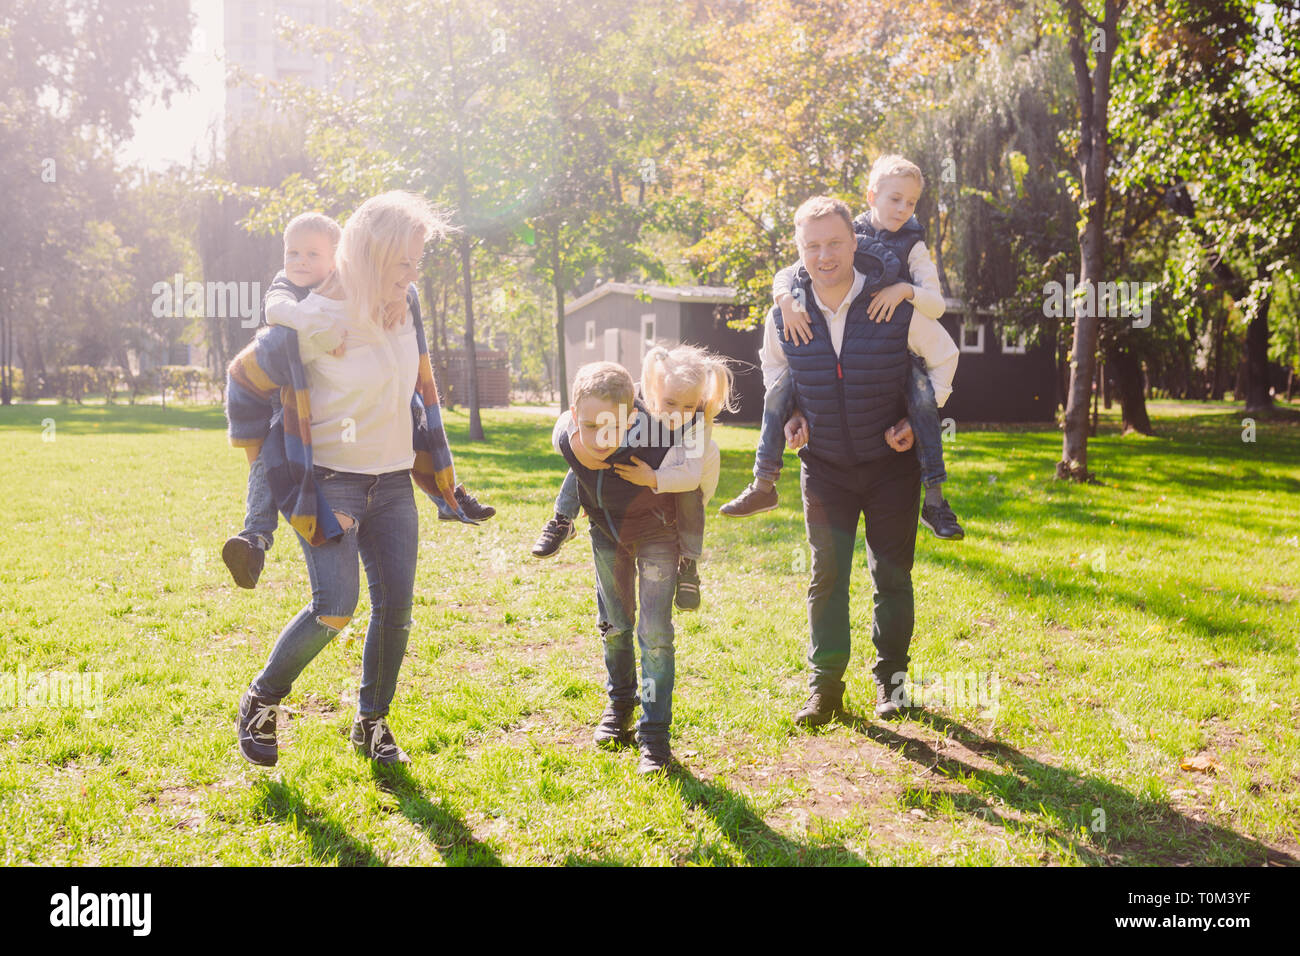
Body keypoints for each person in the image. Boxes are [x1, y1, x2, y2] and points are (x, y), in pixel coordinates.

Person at [228, 191, 459, 767]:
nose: (412, 274)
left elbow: (418, 388)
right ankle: (262, 699)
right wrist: (266, 466)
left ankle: (371, 724)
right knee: (334, 607)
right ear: (372, 253)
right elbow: (244, 380)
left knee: (395, 611)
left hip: (393, 482)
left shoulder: (407, 305)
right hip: (332, 481)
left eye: (417, 262)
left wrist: (437, 467)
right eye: (403, 262)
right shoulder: (310, 313)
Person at [221, 212, 495, 591]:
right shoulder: (292, 291)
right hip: (295, 415)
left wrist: (399, 297)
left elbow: (396, 295)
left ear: (338, 257)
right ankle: (255, 537)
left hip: (382, 442)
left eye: (312, 254)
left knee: (417, 427)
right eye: (292, 253)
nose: (300, 262)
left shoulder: (385, 295)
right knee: (269, 461)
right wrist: (317, 326)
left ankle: (450, 496)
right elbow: (274, 315)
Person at [721, 154, 964, 540]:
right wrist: (784, 299)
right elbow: (793, 269)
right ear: (871, 196)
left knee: (923, 402)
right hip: (841, 373)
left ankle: (935, 498)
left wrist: (904, 290)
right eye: (894, 199)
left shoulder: (913, 246)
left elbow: (936, 307)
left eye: (911, 202)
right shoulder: (849, 231)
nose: (902, 209)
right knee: (778, 391)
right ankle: (763, 483)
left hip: (894, 349)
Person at [760, 196, 925, 725]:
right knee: (826, 577)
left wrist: (916, 420)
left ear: (855, 242)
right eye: (812, 246)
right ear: (799, 250)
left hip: (891, 466)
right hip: (825, 466)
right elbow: (774, 372)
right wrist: (791, 416)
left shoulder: (890, 301)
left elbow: (943, 359)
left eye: (834, 243)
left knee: (891, 576)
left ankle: (892, 685)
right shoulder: (784, 312)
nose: (824, 255)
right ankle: (825, 689)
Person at [551, 361, 688, 774]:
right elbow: (560, 429)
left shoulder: (660, 429)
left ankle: (655, 734)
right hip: (606, 534)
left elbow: (700, 458)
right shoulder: (573, 434)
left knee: (655, 636)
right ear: (576, 417)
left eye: (611, 427)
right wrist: (573, 440)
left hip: (659, 536)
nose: (599, 438)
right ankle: (620, 704)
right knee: (614, 626)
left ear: (631, 419)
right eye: (589, 426)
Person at [531, 344, 734, 611]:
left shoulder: (698, 421)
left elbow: (691, 476)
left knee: (689, 498)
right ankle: (563, 519)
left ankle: (688, 563)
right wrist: (578, 443)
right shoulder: (634, 398)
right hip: (641, 479)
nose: (678, 413)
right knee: (591, 451)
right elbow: (572, 420)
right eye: (670, 403)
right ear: (655, 388)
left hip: (682, 484)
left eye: (688, 406)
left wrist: (652, 478)